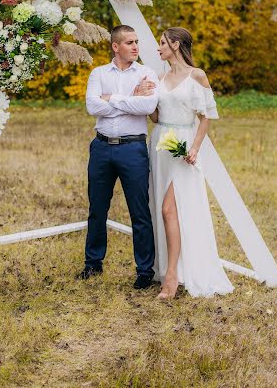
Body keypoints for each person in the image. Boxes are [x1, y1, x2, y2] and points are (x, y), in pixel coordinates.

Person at [148, 27, 234, 299]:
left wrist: (195, 148)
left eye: (162, 42)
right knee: (162, 208)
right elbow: (154, 117)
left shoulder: (197, 76)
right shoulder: (160, 77)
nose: (158, 47)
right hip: (160, 141)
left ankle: (172, 277)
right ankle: (169, 269)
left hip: (184, 144)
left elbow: (206, 115)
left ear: (175, 44)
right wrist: (145, 97)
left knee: (168, 209)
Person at [78, 25, 159, 289]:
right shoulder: (99, 73)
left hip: (133, 149)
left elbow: (147, 106)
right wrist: (128, 100)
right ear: (115, 46)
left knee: (140, 211)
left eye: (136, 42)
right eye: (129, 42)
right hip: (101, 148)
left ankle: (145, 271)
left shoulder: (147, 73)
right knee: (97, 209)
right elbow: (92, 106)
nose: (135, 46)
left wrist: (111, 99)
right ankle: (93, 265)